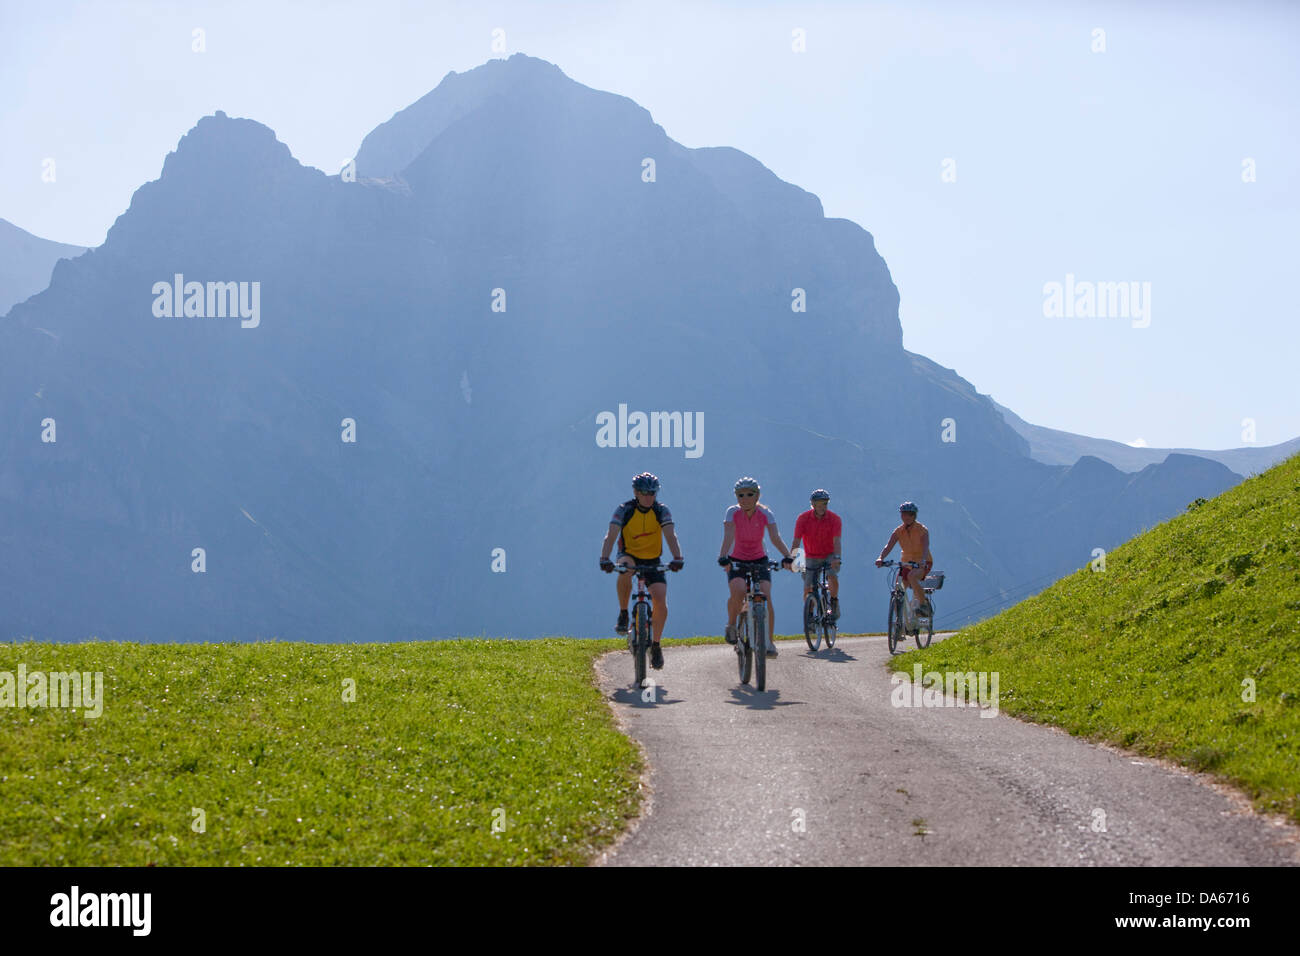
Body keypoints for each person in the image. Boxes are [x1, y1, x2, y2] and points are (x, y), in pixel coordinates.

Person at [600, 472, 683, 670]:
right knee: (625, 570)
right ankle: (623, 613)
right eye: (644, 492)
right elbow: (611, 535)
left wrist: (677, 557)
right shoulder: (624, 510)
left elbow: (671, 536)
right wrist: (605, 558)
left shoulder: (661, 510)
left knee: (660, 600)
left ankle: (655, 645)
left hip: (653, 559)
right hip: (629, 554)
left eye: (652, 493)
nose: (649, 496)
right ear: (636, 492)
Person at [717, 476, 794, 657]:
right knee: (738, 590)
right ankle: (732, 625)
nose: (744, 499)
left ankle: (769, 642)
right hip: (737, 559)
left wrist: (787, 556)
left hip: (760, 558)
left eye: (749, 495)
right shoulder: (732, 512)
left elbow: (775, 538)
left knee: (766, 596)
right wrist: (723, 557)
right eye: (740, 495)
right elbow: (728, 536)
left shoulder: (766, 513)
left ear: (757, 495)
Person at [875, 501, 933, 617]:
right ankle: (899, 624)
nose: (905, 517)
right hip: (906, 564)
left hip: (922, 562)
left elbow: (926, 546)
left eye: (908, 514)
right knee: (898, 590)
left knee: (912, 576)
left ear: (914, 516)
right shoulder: (898, 531)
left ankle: (924, 605)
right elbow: (888, 546)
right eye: (903, 514)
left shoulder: (922, 530)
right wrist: (881, 558)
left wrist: (922, 561)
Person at [791, 488, 842, 620]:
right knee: (808, 587)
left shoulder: (835, 519)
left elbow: (837, 541)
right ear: (812, 504)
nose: (822, 507)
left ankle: (834, 601)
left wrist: (837, 557)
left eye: (824, 504)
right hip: (810, 556)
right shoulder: (803, 519)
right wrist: (791, 558)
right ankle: (810, 615)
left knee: (832, 576)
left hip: (829, 555)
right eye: (818, 504)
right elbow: (796, 540)